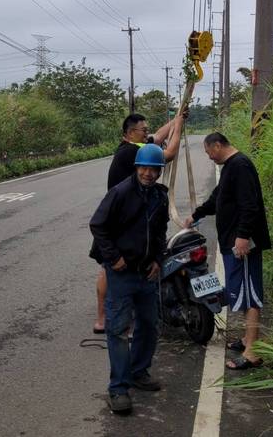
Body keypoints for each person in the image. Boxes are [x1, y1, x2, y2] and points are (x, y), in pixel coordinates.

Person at [89, 143, 169, 415]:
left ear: (160, 171)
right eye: (144, 167)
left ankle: (138, 371)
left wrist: (158, 258)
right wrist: (113, 258)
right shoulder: (120, 193)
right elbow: (97, 225)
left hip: (146, 273)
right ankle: (119, 388)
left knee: (150, 324)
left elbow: (160, 231)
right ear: (136, 167)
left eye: (154, 169)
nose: (149, 173)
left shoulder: (160, 196)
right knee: (118, 330)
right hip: (122, 274)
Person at [184, 132, 271, 370]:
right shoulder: (231, 167)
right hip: (232, 243)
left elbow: (250, 205)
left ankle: (252, 352)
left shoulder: (240, 165)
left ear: (217, 145)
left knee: (250, 295)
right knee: (240, 291)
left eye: (208, 152)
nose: (209, 156)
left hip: (241, 245)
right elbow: (217, 199)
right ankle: (247, 339)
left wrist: (243, 236)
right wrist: (196, 214)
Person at [93, 111, 185, 333]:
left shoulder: (136, 145)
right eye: (143, 130)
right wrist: (179, 127)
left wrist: (176, 118)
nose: (148, 133)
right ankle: (102, 317)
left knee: (124, 267)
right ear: (129, 133)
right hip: (120, 222)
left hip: (134, 217)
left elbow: (158, 137)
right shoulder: (133, 151)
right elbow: (168, 152)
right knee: (109, 267)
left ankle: (121, 310)